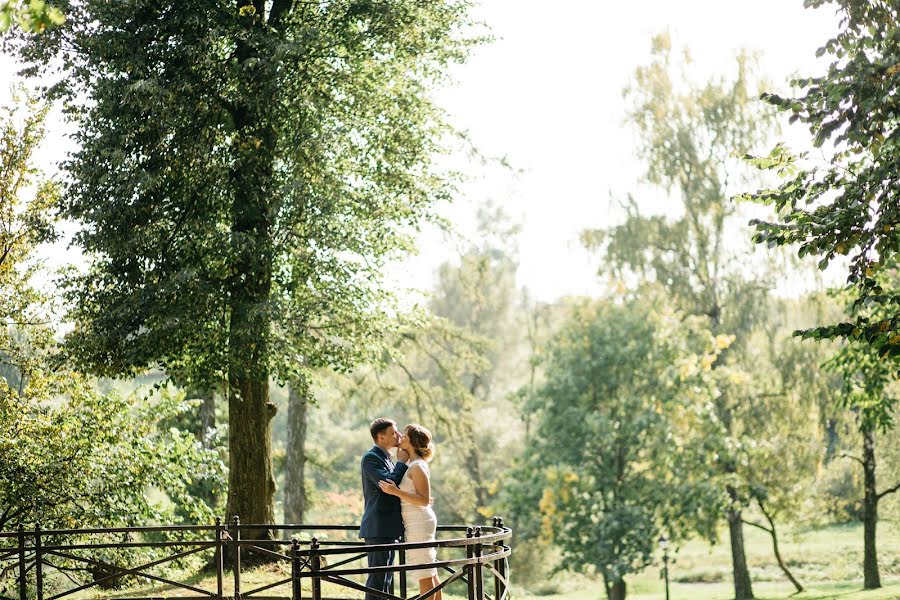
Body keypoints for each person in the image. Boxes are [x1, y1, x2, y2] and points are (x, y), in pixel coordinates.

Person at [378, 424, 441, 600]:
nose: (401, 438)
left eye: (405, 436)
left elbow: (423, 499)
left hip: (419, 522)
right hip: (415, 521)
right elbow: (422, 496)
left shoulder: (417, 467)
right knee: (430, 572)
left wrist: (396, 492)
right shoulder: (411, 464)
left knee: (424, 574)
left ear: (412, 442)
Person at [360, 418, 409, 600]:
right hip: (378, 527)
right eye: (393, 432)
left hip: (388, 527)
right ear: (380, 437)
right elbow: (388, 485)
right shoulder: (371, 458)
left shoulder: (387, 458)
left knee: (386, 581)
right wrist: (402, 462)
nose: (398, 435)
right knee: (377, 581)